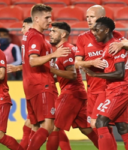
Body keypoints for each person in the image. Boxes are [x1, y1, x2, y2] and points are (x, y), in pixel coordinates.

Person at [21, 4, 70, 150]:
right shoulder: (36, 37)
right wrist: (54, 54)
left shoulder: (30, 35)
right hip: (41, 85)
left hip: (31, 85)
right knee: (49, 125)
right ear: (36, 18)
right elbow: (33, 61)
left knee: (35, 126)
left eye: (50, 17)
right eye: (46, 17)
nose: (50, 20)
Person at [74, 5, 124, 141]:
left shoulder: (116, 36)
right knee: (105, 126)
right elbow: (77, 63)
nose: (89, 20)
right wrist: (92, 62)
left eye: (92, 17)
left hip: (108, 87)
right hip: (92, 88)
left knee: (98, 123)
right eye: (87, 17)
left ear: (101, 18)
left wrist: (123, 44)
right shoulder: (82, 38)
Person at [47, 21, 98, 150]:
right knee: (86, 129)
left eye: (54, 31)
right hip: (78, 93)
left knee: (53, 126)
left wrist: (51, 70)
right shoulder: (64, 49)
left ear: (63, 34)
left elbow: (72, 74)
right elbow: (65, 74)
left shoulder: (66, 49)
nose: (50, 34)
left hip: (71, 93)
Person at [83, 17, 128, 150]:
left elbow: (120, 73)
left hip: (119, 90)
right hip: (114, 89)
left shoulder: (115, 46)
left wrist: (95, 75)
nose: (95, 33)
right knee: (122, 127)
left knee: (100, 122)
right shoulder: (108, 47)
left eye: (97, 30)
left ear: (107, 30)